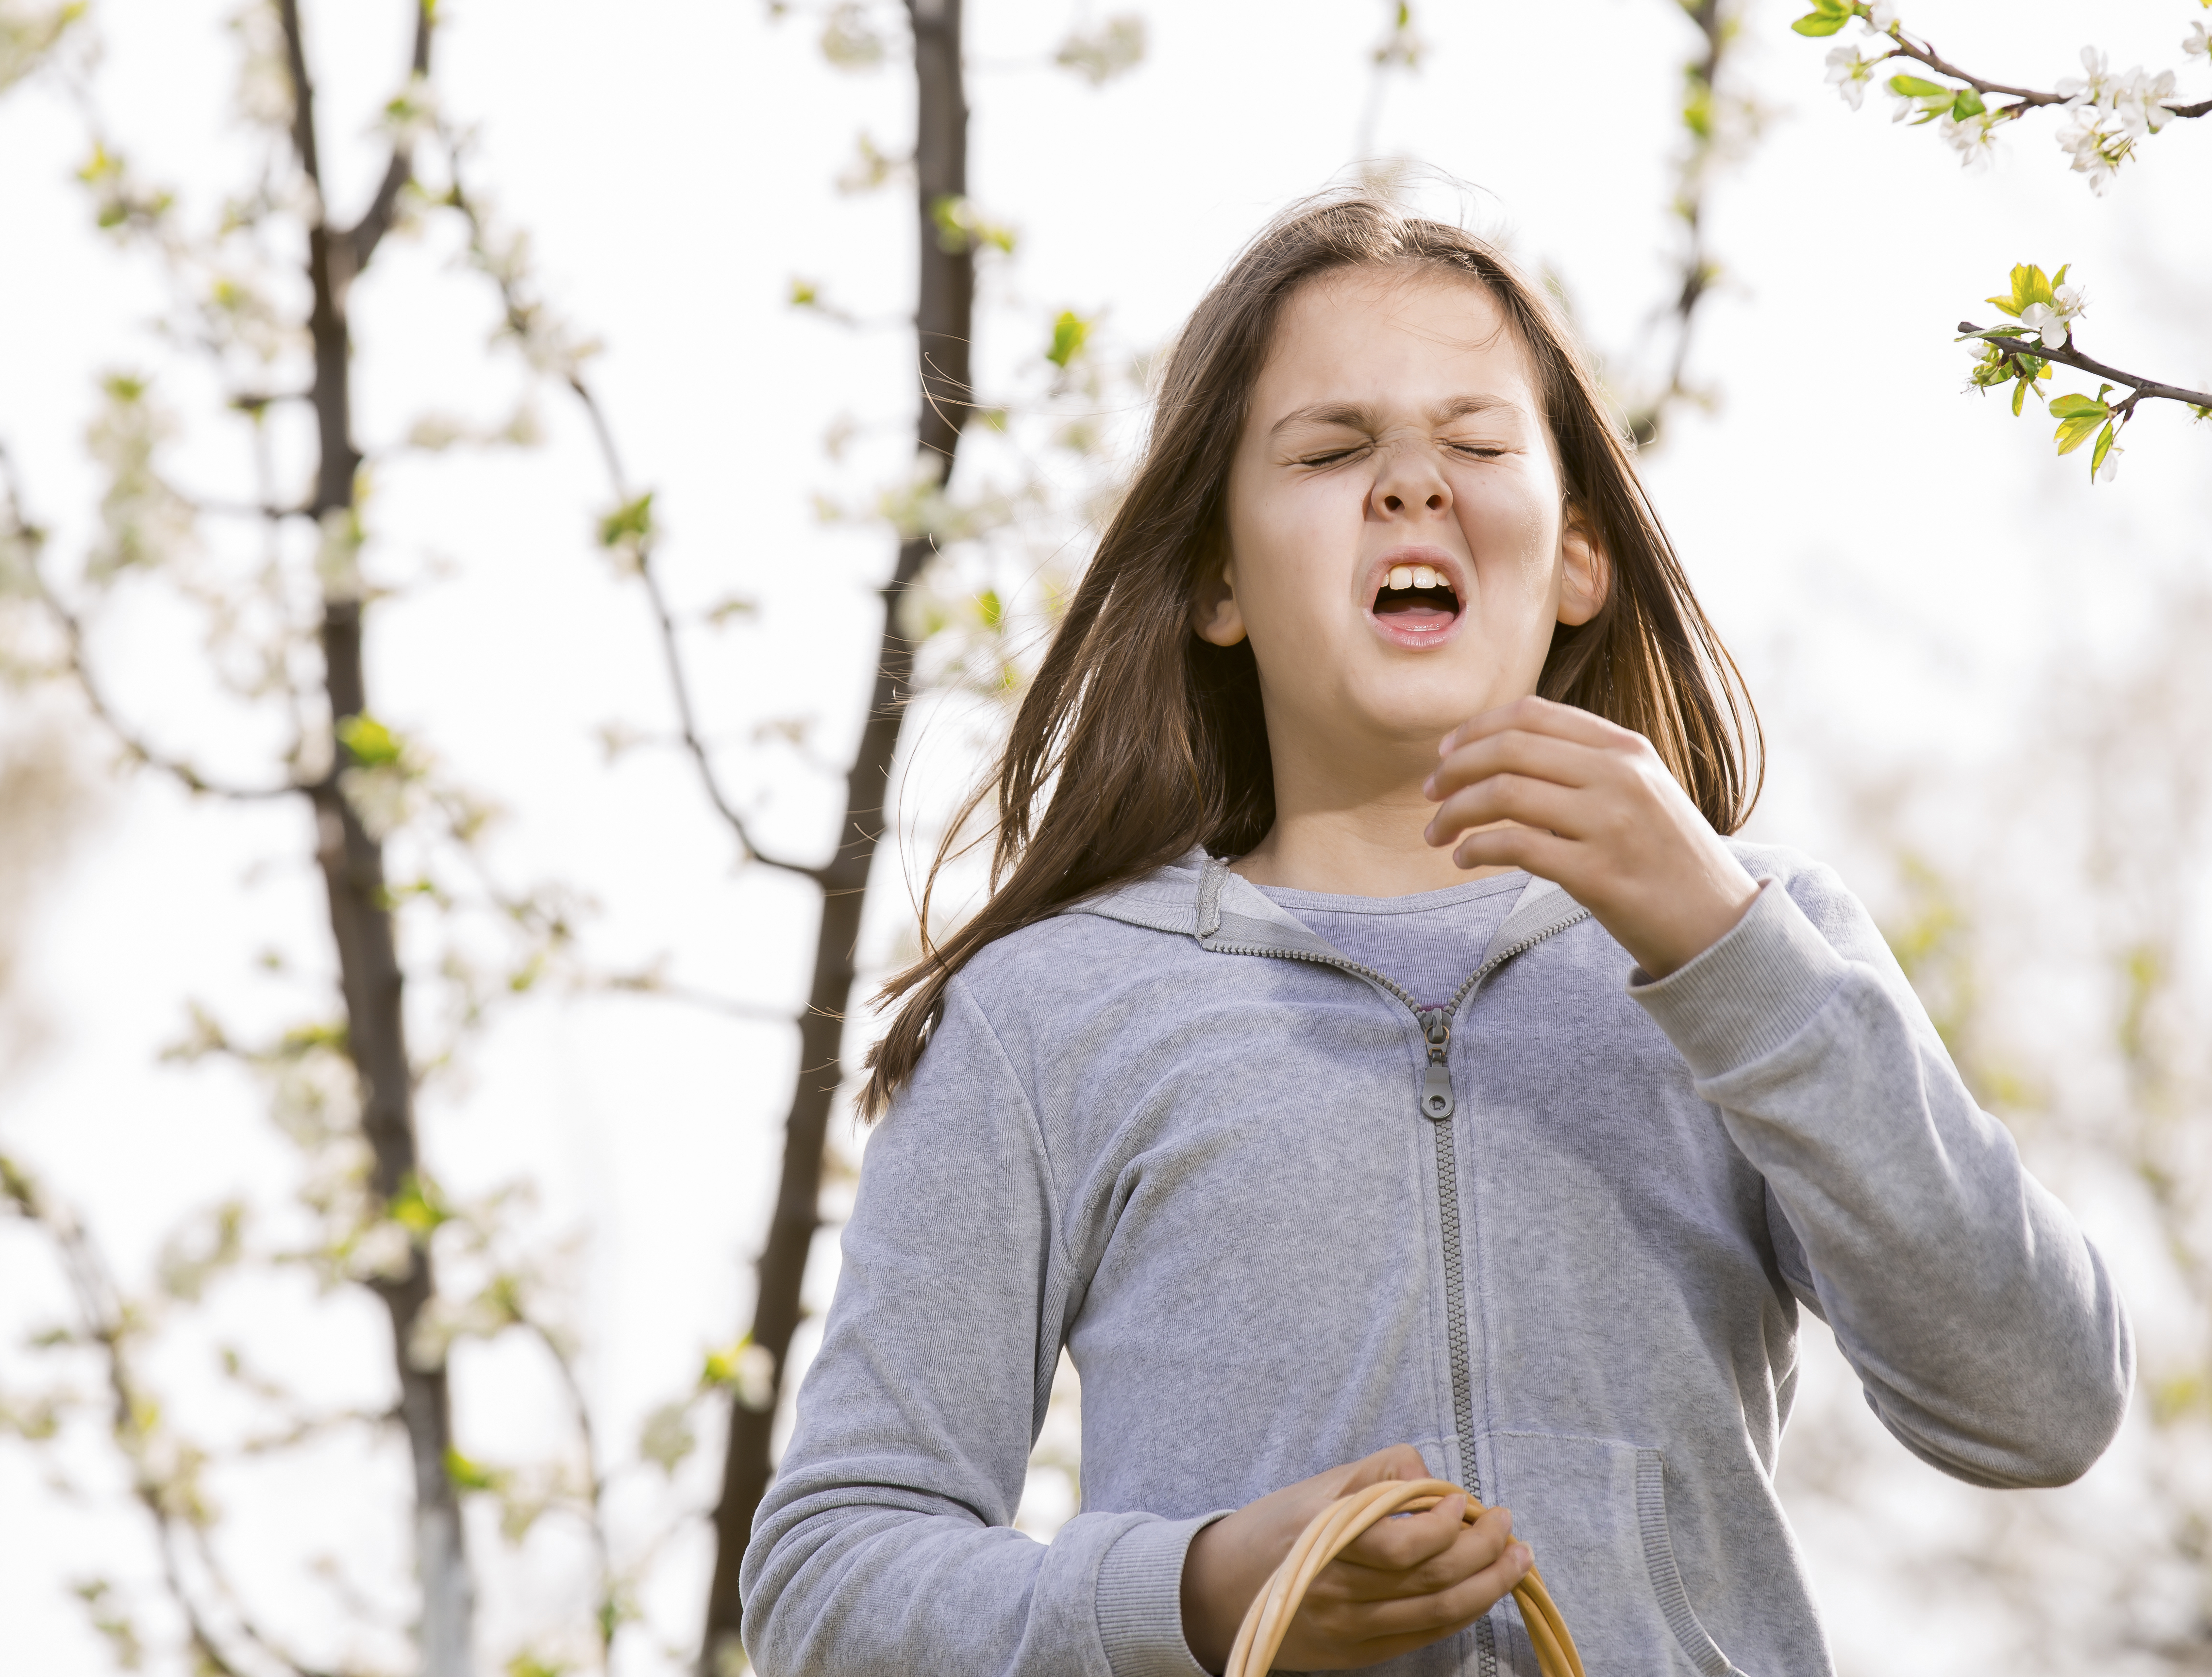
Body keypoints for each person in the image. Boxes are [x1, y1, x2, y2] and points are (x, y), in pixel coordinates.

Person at [739, 194, 2132, 1677]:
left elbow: (2039, 1403)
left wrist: (1726, 954)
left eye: (1475, 445)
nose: (1412, 485)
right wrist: (1193, 1597)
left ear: (1579, 556)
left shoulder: (1762, 949)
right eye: (1334, 452)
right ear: (1217, 579)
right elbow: (831, 1585)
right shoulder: (1048, 1011)